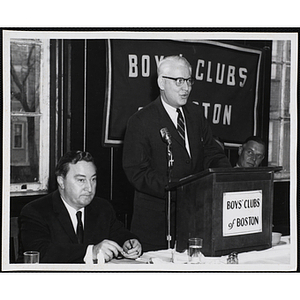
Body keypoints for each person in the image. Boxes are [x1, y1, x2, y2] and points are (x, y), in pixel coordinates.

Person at [122, 55, 231, 251]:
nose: (186, 88)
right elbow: (137, 172)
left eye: (189, 81)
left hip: (194, 220)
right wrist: (180, 189)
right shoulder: (140, 121)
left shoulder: (196, 114)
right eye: (179, 81)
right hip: (156, 223)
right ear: (161, 82)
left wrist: (225, 177)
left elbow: (211, 152)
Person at [20, 150, 142, 263]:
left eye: (93, 179)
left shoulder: (102, 208)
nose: (89, 188)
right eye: (81, 180)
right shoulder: (36, 211)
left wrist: (130, 243)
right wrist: (91, 251)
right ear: (61, 181)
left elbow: (120, 234)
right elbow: (41, 252)